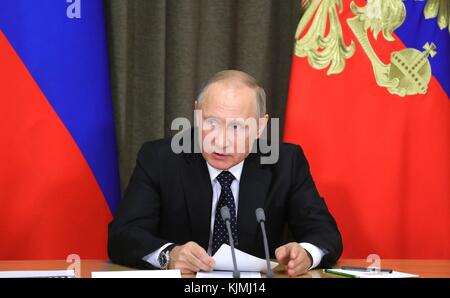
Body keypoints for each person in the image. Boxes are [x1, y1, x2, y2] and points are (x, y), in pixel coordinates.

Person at [108, 70, 342, 277]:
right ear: (197, 114)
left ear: (260, 127)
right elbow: (122, 236)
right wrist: (169, 255)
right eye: (211, 123)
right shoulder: (159, 159)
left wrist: (306, 254)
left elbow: (325, 234)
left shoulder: (286, 163)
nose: (221, 142)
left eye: (237, 127)